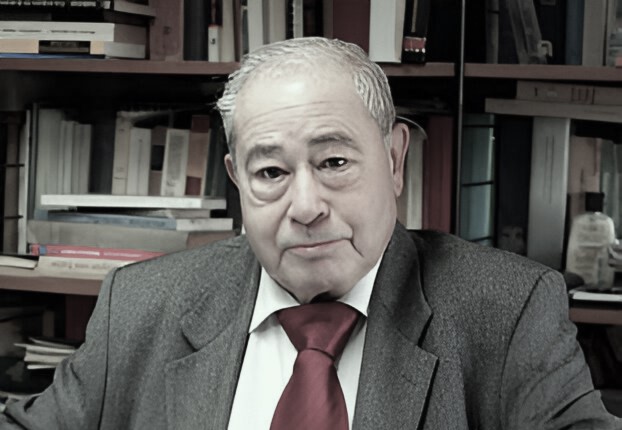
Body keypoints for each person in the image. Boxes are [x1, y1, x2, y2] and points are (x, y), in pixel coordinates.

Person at [1, 37, 620, 430]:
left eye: (334, 162)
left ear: (395, 161)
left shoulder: (506, 311)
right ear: (237, 182)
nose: (305, 206)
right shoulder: (141, 305)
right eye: (271, 172)